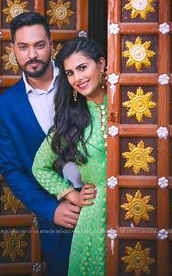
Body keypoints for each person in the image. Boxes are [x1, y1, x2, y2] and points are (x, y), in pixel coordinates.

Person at [0, 12, 80, 276]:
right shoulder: (6, 106)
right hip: (58, 218)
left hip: (103, 203)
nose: (32, 54)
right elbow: (11, 170)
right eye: (23, 47)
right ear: (13, 50)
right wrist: (50, 209)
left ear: (51, 44)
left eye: (39, 45)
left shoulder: (78, 79)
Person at [32, 37, 107, 276]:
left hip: (141, 207)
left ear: (102, 64)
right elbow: (40, 166)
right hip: (96, 218)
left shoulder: (131, 105)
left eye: (82, 67)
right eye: (70, 73)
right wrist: (71, 194)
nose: (77, 78)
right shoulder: (74, 121)